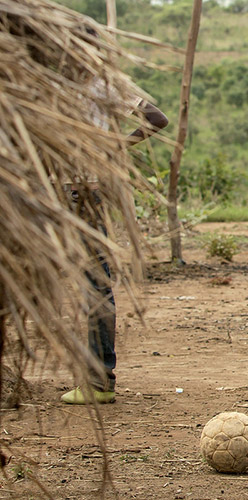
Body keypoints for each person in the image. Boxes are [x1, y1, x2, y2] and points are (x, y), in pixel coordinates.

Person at [61, 30, 169, 405]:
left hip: (83, 191)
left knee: (94, 280)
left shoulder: (99, 84)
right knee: (90, 278)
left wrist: (116, 146)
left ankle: (98, 379)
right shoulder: (82, 83)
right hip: (78, 188)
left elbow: (157, 118)